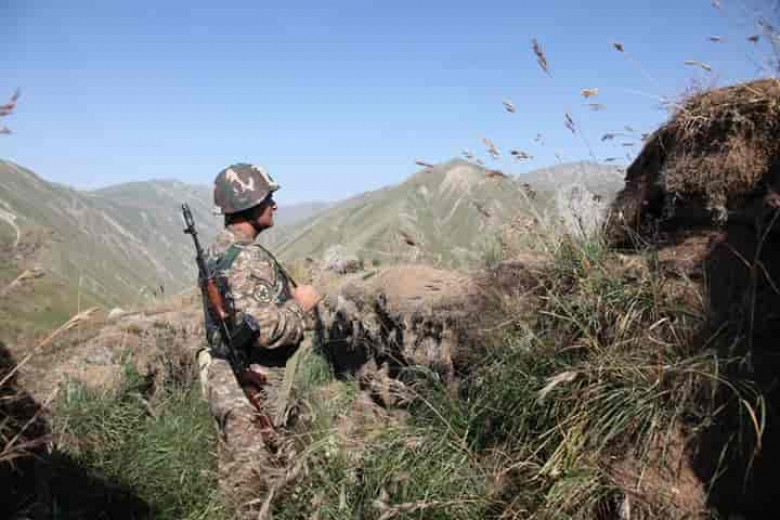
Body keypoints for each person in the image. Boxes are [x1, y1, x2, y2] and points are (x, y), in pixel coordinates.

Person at [197, 162, 321, 516]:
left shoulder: (216, 251)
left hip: (228, 381)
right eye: (268, 198)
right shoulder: (248, 259)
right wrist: (300, 306)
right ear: (248, 203)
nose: (274, 205)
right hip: (251, 388)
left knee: (243, 483)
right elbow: (264, 331)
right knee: (255, 493)